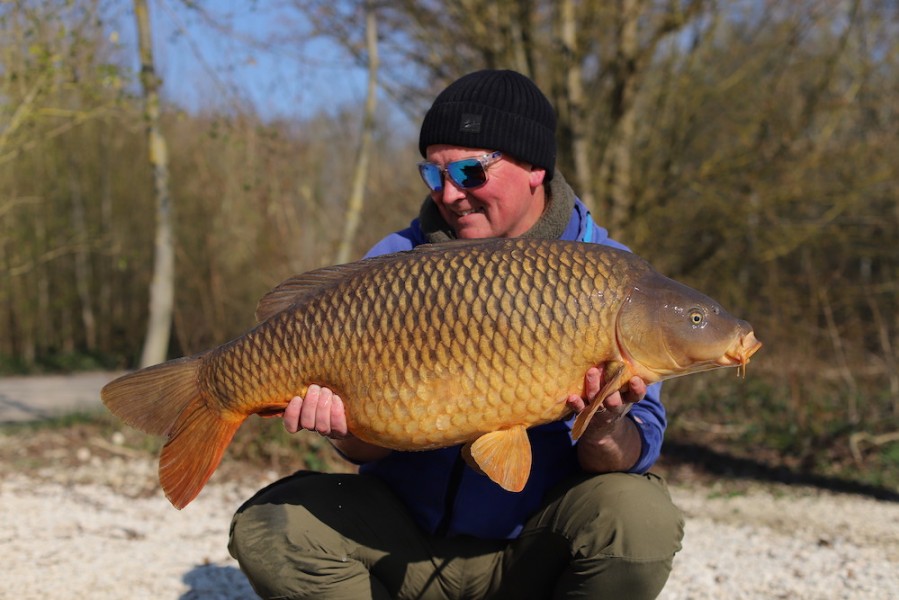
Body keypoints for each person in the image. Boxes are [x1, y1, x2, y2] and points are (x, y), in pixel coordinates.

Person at [228, 69, 684, 600]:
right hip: (405, 552)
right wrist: (340, 429)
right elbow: (367, 448)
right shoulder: (397, 263)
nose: (450, 193)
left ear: (535, 167)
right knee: (272, 527)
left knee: (639, 519)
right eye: (434, 173)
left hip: (531, 554)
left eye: (470, 171)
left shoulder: (615, 281)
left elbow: (637, 449)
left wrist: (605, 427)